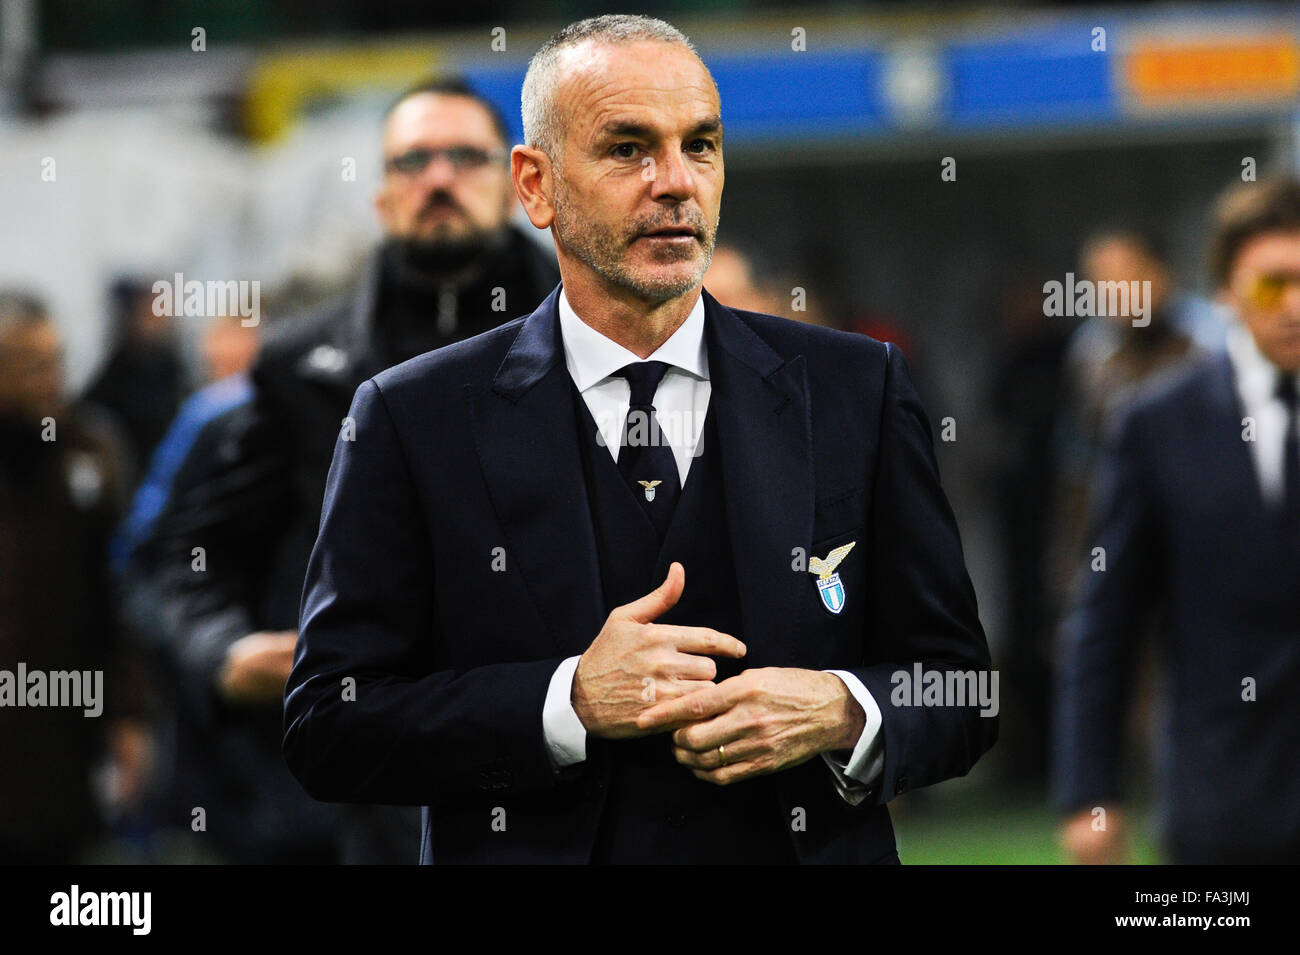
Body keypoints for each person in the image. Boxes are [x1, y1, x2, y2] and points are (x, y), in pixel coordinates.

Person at [284, 15, 996, 865]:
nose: (675, 183)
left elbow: (964, 689)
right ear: (536, 185)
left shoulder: (856, 389)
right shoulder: (411, 418)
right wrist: (568, 701)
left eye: (700, 145)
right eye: (628, 149)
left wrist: (844, 709)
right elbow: (329, 721)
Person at [137, 76, 559, 863]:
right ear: (382, 197)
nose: (437, 179)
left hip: (564, 786)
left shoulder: (600, 341)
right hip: (367, 806)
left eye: (464, 157)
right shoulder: (303, 367)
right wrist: (226, 652)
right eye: (412, 162)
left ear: (518, 184)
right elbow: (189, 556)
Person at [1054, 178, 1300, 864]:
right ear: (1225, 292)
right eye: (1272, 285)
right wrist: (1090, 791)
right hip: (1223, 805)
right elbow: (1107, 620)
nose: (1295, 307)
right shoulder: (1160, 424)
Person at [0, 292, 150, 863]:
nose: (51, 379)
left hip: (65, 739)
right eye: (31, 364)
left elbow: (124, 596)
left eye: (58, 361)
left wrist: (131, 714)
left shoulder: (91, 451)